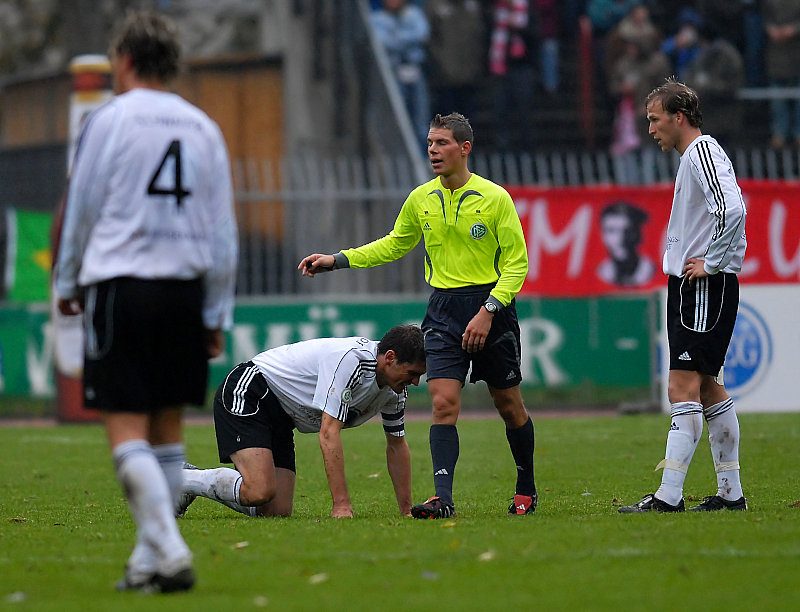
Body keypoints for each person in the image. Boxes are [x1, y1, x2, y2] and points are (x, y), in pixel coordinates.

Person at [52, 12, 238, 592]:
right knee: (166, 432)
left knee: (125, 431)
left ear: (125, 60)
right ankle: (145, 564)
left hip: (122, 286)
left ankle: (172, 549)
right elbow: (223, 233)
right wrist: (216, 313)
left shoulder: (109, 120)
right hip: (184, 291)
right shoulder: (204, 127)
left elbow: (81, 206)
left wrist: (66, 282)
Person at [299, 112, 537, 519]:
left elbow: (517, 265)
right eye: (429, 143)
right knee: (443, 403)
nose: (432, 150)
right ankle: (442, 498)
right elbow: (393, 244)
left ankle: (526, 487)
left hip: (489, 306)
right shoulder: (421, 198)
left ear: (464, 149)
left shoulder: (495, 198)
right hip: (443, 310)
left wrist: (488, 311)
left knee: (509, 404)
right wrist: (337, 260)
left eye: (441, 143)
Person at [618, 78, 747, 513]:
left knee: (682, 385)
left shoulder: (702, 152)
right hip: (697, 286)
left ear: (679, 117)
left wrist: (711, 263)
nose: (651, 129)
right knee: (708, 386)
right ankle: (731, 495)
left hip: (703, 287)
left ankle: (668, 496)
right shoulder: (694, 156)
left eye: (655, 119)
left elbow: (732, 209)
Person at [176, 325, 426, 519]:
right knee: (258, 490)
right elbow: (329, 433)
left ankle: (190, 480)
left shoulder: (395, 390)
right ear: (390, 358)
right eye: (412, 373)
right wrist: (341, 505)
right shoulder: (354, 362)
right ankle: (178, 478)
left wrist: (406, 510)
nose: (415, 382)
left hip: (282, 416)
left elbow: (397, 445)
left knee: (276, 511)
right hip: (252, 389)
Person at [596, 201, 655, 287]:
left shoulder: (651, 271)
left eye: (627, 231)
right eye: (611, 231)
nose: (620, 239)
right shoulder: (601, 273)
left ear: (639, 234)